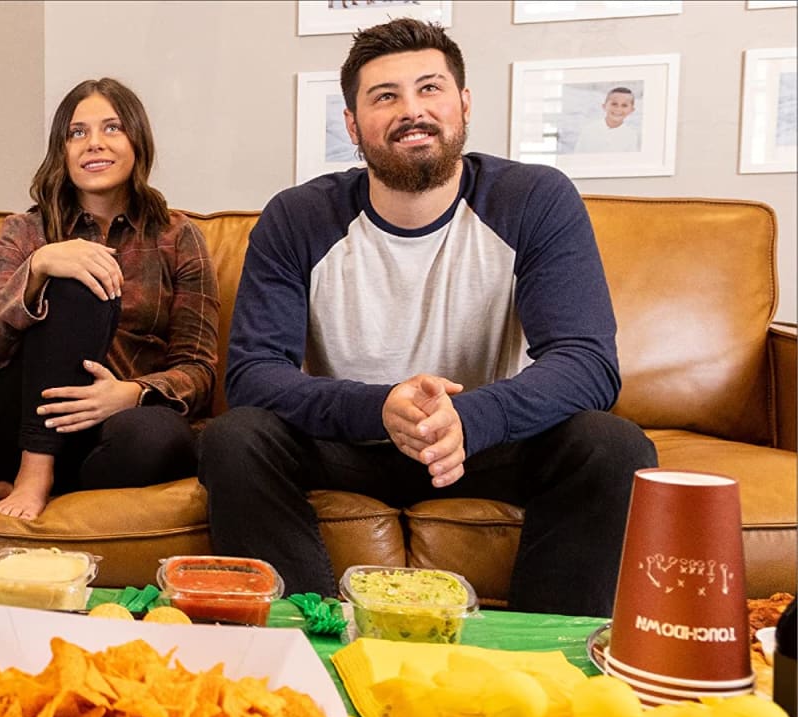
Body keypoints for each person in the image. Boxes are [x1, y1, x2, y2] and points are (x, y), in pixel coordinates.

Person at [197, 19, 657, 618]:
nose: (411, 110)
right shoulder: (297, 216)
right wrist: (379, 407)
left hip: (485, 440)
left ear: (463, 104)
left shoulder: (536, 199)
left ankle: (548, 661)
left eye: (430, 88)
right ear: (352, 124)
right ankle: (301, 641)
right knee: (233, 440)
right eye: (384, 96)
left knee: (614, 446)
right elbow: (254, 373)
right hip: (350, 440)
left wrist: (470, 415)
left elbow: (587, 361)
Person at [0, 77, 219, 520]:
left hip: (114, 428)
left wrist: (130, 393)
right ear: (61, 151)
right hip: (23, 417)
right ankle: (34, 473)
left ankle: (63, 485)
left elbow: (199, 370)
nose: (94, 144)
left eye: (112, 128)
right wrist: (40, 266)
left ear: (137, 142)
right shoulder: (25, 231)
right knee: (74, 275)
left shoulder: (178, 237)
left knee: (161, 436)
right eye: (77, 132)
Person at [573, 86, 641, 154]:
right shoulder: (588, 131)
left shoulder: (631, 136)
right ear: (604, 106)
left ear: (631, 110)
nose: (618, 109)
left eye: (624, 105)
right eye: (614, 104)